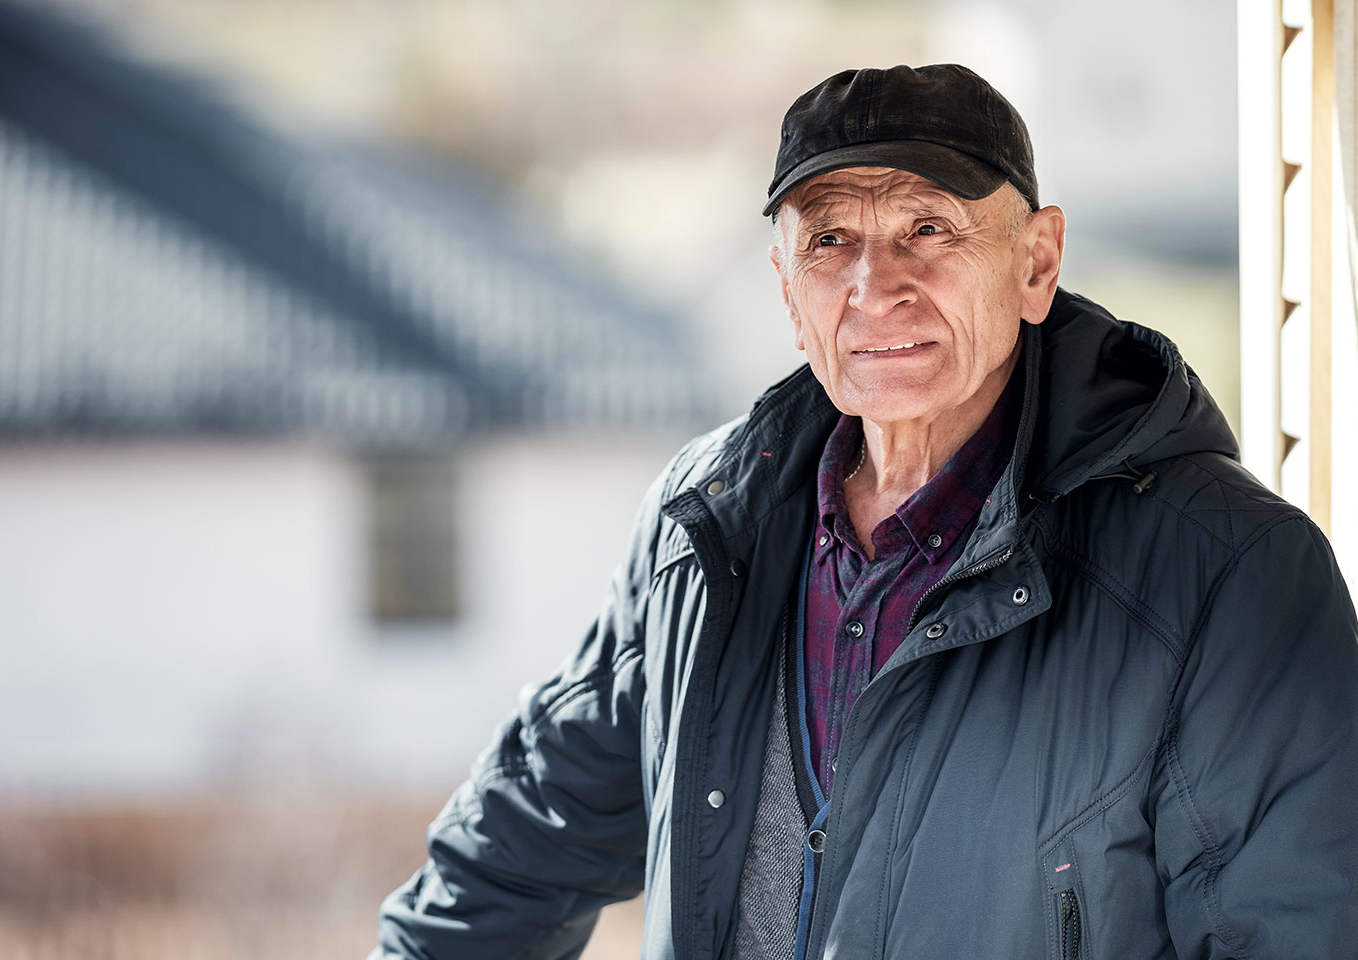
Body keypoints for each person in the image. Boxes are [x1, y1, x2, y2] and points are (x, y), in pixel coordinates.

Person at [370, 64, 1358, 960]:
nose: (872, 287)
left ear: (1036, 262)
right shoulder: (703, 530)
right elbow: (517, 848)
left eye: (929, 230)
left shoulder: (1231, 575)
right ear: (786, 290)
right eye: (828, 240)